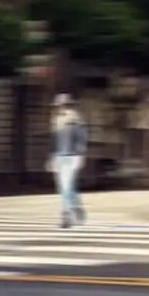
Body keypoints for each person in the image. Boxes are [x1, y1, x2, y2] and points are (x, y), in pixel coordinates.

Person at [49, 93, 88, 228]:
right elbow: (54, 142)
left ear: (68, 105)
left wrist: (80, 155)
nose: (60, 108)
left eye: (63, 105)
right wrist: (52, 157)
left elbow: (81, 138)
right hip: (60, 157)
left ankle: (67, 216)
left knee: (67, 187)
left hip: (72, 156)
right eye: (58, 106)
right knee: (65, 188)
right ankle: (77, 208)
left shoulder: (75, 119)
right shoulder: (56, 121)